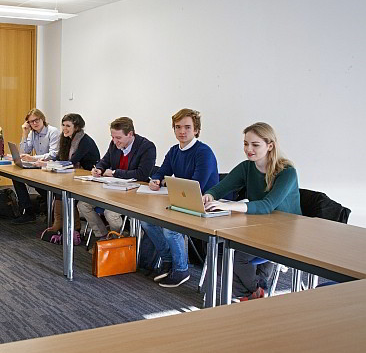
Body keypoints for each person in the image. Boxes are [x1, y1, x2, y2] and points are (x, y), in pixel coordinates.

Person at [202, 122, 301, 300]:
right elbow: (219, 188)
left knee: (237, 258)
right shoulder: (247, 167)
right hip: (259, 225)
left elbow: (267, 205)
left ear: (270, 146)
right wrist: (209, 195)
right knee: (224, 257)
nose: (249, 149)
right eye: (246, 144)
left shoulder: (287, 172)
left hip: (284, 232)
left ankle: (252, 291)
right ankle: (254, 293)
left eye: (255, 145)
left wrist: (230, 206)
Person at [142, 108, 220, 288]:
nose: (182, 132)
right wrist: (156, 179)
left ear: (196, 130)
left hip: (203, 205)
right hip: (182, 202)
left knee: (171, 229)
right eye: (178, 127)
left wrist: (167, 184)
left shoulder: (204, 152)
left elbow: (196, 184)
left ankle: (181, 269)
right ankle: (168, 260)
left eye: (187, 127)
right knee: (147, 222)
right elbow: (162, 171)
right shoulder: (174, 151)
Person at [77, 117, 157, 239]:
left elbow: (142, 174)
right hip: (113, 190)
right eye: (112, 137)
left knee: (110, 214)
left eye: (118, 138)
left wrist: (115, 173)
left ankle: (118, 241)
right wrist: (99, 168)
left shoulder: (147, 147)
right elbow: (105, 160)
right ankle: (103, 237)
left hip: (134, 193)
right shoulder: (114, 144)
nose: (115, 141)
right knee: (83, 205)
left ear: (130, 134)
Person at [40, 113, 100, 242]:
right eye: (63, 125)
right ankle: (59, 223)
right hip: (75, 175)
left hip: (89, 178)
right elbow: (61, 157)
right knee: (58, 188)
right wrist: (43, 161)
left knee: (64, 191)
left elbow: (72, 161)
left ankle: (74, 228)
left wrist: (48, 164)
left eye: (68, 126)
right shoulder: (67, 138)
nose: (64, 128)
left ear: (77, 127)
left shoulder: (84, 141)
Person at [12, 109, 60, 224]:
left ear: (42, 119)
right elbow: (24, 151)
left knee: (36, 182)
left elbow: (53, 154)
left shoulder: (53, 131)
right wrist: (24, 132)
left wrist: (33, 158)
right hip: (38, 167)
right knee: (17, 177)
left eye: (36, 120)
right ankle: (28, 212)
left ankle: (53, 207)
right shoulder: (32, 133)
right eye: (31, 122)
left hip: (52, 167)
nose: (34, 123)